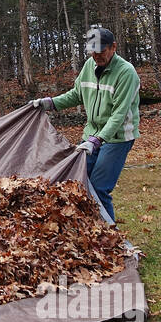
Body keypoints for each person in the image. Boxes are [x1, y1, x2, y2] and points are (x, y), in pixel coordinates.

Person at [30, 27, 139, 223]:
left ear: (113, 47)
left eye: (101, 51)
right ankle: (87, 230)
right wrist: (49, 103)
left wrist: (97, 141)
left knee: (99, 187)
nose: (97, 56)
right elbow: (76, 95)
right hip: (91, 135)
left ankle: (110, 238)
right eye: (93, 51)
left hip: (117, 138)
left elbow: (118, 115)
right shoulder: (89, 66)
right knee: (78, 180)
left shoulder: (126, 73)